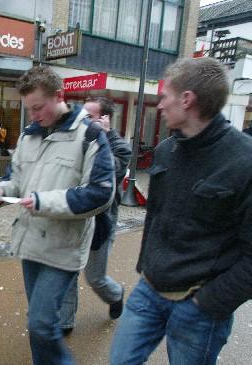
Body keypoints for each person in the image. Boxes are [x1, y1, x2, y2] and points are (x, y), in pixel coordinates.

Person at [110, 57, 252, 364]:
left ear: (187, 100)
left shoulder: (245, 161)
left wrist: (208, 302)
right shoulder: (166, 150)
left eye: (164, 96)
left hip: (199, 307)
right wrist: (148, 267)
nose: (159, 105)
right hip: (149, 291)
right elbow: (156, 218)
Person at [0, 65, 115, 365]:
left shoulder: (91, 135)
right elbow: (15, 180)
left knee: (41, 323)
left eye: (38, 107)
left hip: (65, 247)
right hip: (30, 243)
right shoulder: (28, 136)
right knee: (38, 322)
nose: (33, 116)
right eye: (29, 109)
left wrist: (43, 201)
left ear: (60, 95)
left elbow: (99, 194)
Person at [59, 96, 131, 335]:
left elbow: (111, 173)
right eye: (83, 116)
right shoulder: (77, 141)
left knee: (94, 277)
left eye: (89, 117)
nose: (84, 122)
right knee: (68, 270)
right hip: (76, 221)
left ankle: (116, 295)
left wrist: (101, 138)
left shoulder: (120, 146)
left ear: (105, 118)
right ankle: (66, 321)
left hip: (101, 224)